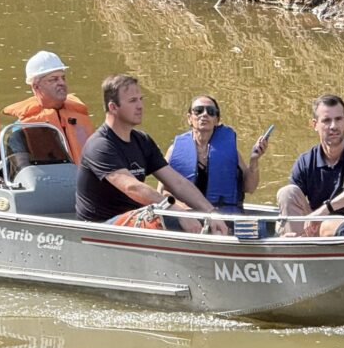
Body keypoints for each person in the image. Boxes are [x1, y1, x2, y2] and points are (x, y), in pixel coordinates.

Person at [75, 74, 229, 235]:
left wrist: (211, 212)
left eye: (141, 99)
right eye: (133, 101)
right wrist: (172, 207)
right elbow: (132, 187)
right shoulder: (100, 145)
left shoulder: (142, 140)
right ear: (113, 107)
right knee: (164, 216)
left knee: (196, 216)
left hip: (134, 219)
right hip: (100, 228)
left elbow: (178, 183)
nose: (140, 106)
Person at [276, 94, 344, 236]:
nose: (334, 126)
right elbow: (291, 204)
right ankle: (295, 246)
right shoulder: (305, 162)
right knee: (287, 192)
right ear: (315, 125)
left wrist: (327, 208)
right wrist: (284, 229)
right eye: (326, 120)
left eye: (338, 119)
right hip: (315, 230)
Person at [163, 95, 268, 214]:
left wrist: (254, 160)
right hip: (187, 216)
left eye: (211, 112)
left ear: (217, 120)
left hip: (223, 216)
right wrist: (182, 210)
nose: (204, 114)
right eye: (198, 111)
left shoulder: (230, 152)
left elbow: (250, 188)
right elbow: (162, 192)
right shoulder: (174, 151)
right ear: (189, 118)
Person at [2, 51, 94, 163]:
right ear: (36, 86)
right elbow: (22, 173)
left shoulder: (81, 118)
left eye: (63, 78)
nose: (62, 83)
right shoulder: (21, 130)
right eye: (54, 79)